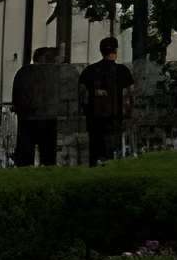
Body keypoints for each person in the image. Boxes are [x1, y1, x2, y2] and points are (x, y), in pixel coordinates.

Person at [79, 35, 136, 165]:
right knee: (114, 148)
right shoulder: (122, 70)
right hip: (115, 116)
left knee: (95, 147)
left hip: (94, 117)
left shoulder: (89, 70)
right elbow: (131, 93)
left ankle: (95, 169)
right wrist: (129, 112)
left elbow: (82, 94)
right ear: (115, 51)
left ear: (101, 51)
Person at [11, 45, 71, 167]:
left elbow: (18, 97)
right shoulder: (57, 74)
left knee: (25, 157)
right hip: (50, 119)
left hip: (28, 119)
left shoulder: (24, 72)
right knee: (48, 157)